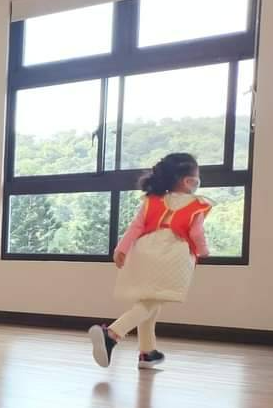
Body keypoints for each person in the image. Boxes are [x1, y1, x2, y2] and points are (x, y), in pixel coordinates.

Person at [89, 153, 211, 370]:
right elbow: (197, 233)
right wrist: (203, 251)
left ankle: (148, 352)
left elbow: (135, 227)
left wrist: (121, 249)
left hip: (144, 251)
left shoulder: (152, 201)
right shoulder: (196, 205)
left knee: (151, 300)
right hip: (172, 254)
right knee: (151, 302)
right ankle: (112, 334)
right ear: (188, 181)